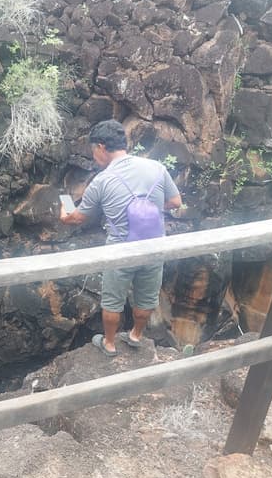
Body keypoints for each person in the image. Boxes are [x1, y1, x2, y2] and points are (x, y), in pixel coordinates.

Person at [60, 120, 182, 355]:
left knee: (113, 301)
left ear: (101, 147)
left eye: (93, 150)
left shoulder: (103, 180)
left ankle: (109, 343)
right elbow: (176, 202)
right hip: (154, 246)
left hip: (121, 250)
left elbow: (78, 218)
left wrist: (64, 216)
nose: (94, 155)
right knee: (146, 297)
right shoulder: (156, 168)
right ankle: (136, 335)